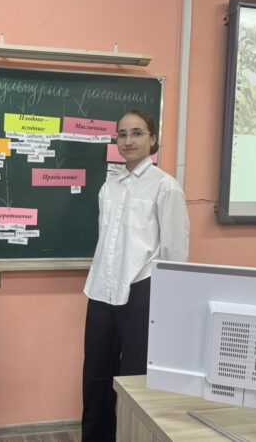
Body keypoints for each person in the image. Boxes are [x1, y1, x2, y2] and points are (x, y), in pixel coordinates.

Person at [81, 109, 190, 442]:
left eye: (137, 133)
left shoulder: (165, 186)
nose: (128, 141)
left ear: (152, 138)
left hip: (143, 290)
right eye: (122, 134)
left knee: (136, 379)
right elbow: (106, 240)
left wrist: (168, 303)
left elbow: (174, 251)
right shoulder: (109, 186)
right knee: (95, 376)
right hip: (101, 289)